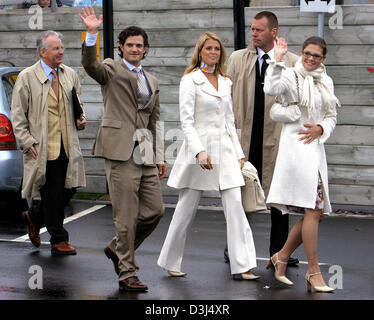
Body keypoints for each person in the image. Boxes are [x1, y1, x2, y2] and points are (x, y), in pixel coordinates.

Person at [157, 32, 260, 281]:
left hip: (225, 151)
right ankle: (170, 261)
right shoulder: (190, 80)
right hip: (199, 153)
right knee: (185, 209)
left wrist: (240, 154)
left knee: (235, 205)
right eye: (209, 48)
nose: (213, 52)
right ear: (200, 52)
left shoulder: (226, 81)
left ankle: (243, 265)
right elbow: (187, 122)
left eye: (217, 49)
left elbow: (230, 121)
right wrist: (199, 151)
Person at [79, 6, 166, 292]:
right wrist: (91, 34)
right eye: (129, 44)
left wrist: (160, 156)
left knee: (155, 210)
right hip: (119, 151)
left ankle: (117, 248)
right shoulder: (111, 69)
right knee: (125, 216)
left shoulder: (151, 81)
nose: (134, 48)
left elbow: (155, 120)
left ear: (145, 49)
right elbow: (90, 66)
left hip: (145, 153)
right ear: (121, 47)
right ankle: (127, 272)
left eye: (139, 45)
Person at [264, 36, 339, 292]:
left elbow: (331, 115)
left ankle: (281, 256)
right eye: (307, 53)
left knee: (315, 213)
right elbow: (270, 89)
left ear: (323, 59)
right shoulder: (290, 75)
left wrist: (320, 128)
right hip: (295, 153)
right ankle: (313, 271)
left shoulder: (325, 80)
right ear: (301, 52)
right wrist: (277, 59)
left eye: (316, 56)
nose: (310, 59)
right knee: (312, 211)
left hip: (315, 152)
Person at [226, 11, 299, 267]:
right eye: (252, 29)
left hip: (277, 139)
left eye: (259, 30)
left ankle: (279, 252)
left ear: (273, 32)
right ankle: (233, 248)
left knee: (278, 197)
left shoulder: (292, 61)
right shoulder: (237, 59)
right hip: (244, 138)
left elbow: (298, 99)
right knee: (238, 195)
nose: (253, 34)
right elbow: (226, 95)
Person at [11, 30, 86, 255]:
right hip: (41, 147)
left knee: (69, 188)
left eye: (61, 48)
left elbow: (77, 103)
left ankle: (34, 217)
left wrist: (81, 120)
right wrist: (26, 141)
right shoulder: (27, 77)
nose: (61, 52)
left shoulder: (70, 74)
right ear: (43, 52)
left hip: (68, 145)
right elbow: (17, 115)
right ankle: (58, 239)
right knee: (52, 193)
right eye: (55, 48)